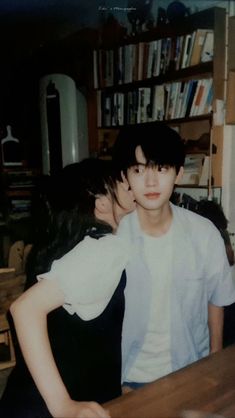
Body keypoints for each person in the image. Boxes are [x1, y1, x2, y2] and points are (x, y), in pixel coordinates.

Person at [0, 158, 135, 418]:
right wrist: (62, 405)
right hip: (47, 409)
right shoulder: (104, 249)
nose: (130, 184)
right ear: (102, 202)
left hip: (25, 401)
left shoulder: (69, 244)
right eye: (120, 182)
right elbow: (25, 309)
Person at [112, 123, 235, 390]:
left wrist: (213, 364)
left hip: (190, 369)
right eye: (138, 170)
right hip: (126, 376)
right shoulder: (113, 237)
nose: (151, 182)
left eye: (161, 168)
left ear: (178, 173)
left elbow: (218, 299)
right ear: (125, 178)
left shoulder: (204, 234)